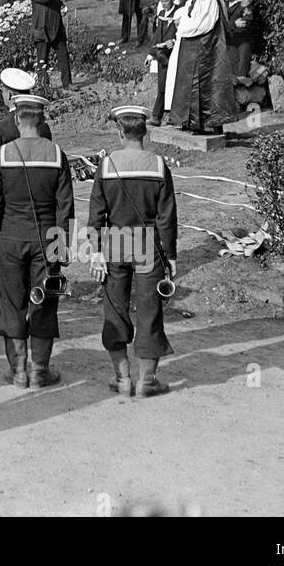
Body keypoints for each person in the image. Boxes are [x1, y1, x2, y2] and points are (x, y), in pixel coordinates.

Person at [0, 95, 74, 389]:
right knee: (45, 302)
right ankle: (40, 370)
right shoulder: (58, 155)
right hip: (48, 241)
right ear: (42, 120)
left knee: (12, 303)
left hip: (10, 238)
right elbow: (66, 207)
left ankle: (19, 370)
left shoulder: (4, 154)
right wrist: (62, 244)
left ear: (17, 120)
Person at [88, 106, 178, 398]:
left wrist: (95, 251)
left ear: (120, 131)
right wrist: (171, 255)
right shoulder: (159, 165)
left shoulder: (106, 165)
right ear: (145, 132)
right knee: (149, 311)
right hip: (147, 246)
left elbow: (96, 216)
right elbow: (167, 217)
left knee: (115, 308)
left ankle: (123, 377)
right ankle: (147, 381)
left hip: (115, 243)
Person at [0, 68, 53, 222]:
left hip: (10, 209)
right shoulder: (43, 127)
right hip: (42, 206)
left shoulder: (0, 129)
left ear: (8, 95)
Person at [164, 0, 238, 134]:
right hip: (194, 50)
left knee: (205, 88)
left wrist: (181, 27)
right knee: (189, 86)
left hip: (204, 51)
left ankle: (205, 125)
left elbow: (198, 25)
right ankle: (190, 122)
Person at [31, 0, 72, 90]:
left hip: (56, 28)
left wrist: (62, 6)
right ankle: (44, 87)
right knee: (42, 60)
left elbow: (55, 1)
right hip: (42, 30)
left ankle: (67, 83)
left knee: (64, 55)